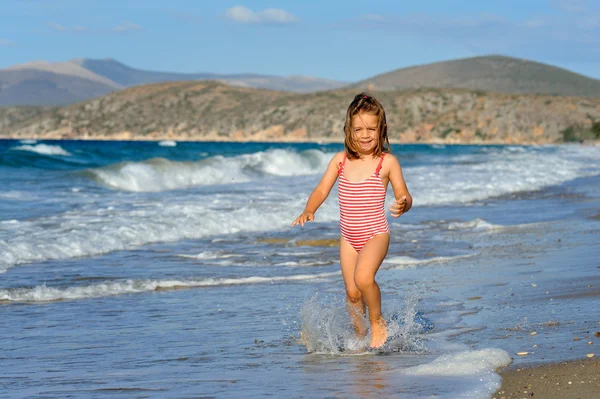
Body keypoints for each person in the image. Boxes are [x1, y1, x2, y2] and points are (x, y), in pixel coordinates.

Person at [291, 93, 412, 349]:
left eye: (371, 128)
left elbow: (403, 193)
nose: (365, 134)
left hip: (376, 234)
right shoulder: (340, 161)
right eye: (358, 129)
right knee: (353, 293)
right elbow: (322, 189)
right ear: (349, 130)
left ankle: (377, 321)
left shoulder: (387, 162)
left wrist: (403, 203)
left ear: (382, 129)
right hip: (348, 237)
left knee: (364, 279)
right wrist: (309, 209)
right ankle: (360, 337)